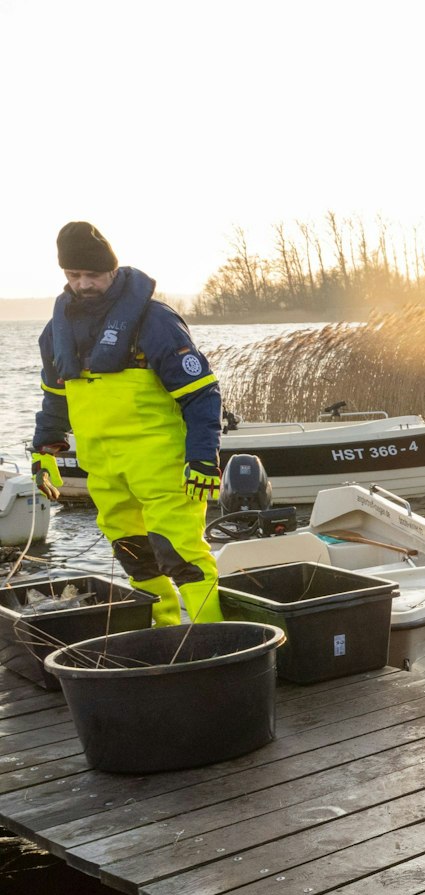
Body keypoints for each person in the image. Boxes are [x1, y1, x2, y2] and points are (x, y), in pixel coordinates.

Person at [31, 222, 224, 627]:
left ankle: (219, 637)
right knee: (132, 552)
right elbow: (56, 397)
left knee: (181, 552)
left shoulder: (154, 320)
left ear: (112, 270)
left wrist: (204, 458)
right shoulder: (56, 332)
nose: (83, 284)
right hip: (103, 466)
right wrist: (43, 450)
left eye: (92, 275)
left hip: (162, 463)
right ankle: (166, 633)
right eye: (73, 275)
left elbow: (201, 394)